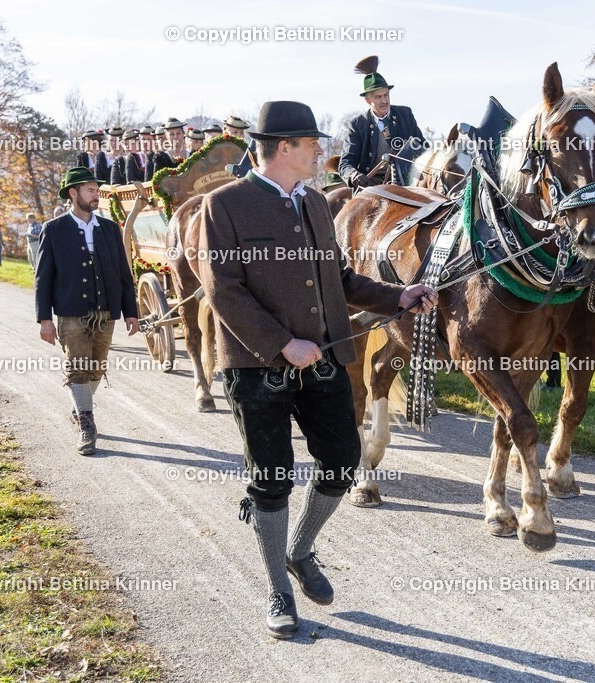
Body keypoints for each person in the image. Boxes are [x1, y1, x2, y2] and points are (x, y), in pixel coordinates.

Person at [197, 100, 437, 639]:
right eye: (312, 144)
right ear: (284, 148)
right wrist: (282, 344)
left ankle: (300, 550)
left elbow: (340, 280)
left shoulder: (314, 203)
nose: (320, 152)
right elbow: (223, 291)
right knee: (271, 477)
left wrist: (399, 296)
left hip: (323, 360)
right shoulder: (224, 205)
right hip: (255, 367)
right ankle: (278, 591)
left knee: (342, 458)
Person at [35, 167, 139, 455]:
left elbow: (123, 273)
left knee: (97, 368)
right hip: (71, 313)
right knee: (78, 367)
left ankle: (79, 407)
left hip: (105, 312)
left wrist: (131, 311)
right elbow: (43, 277)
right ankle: (86, 424)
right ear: (73, 193)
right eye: (91, 190)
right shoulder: (53, 229)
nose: (96, 195)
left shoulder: (109, 228)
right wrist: (45, 319)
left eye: (97, 190)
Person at [339, 55, 427, 188]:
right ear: (368, 100)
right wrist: (354, 175)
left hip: (408, 181)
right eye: (378, 97)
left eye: (386, 95)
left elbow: (423, 146)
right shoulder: (357, 125)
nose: (384, 101)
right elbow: (345, 164)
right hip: (371, 186)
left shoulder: (405, 114)